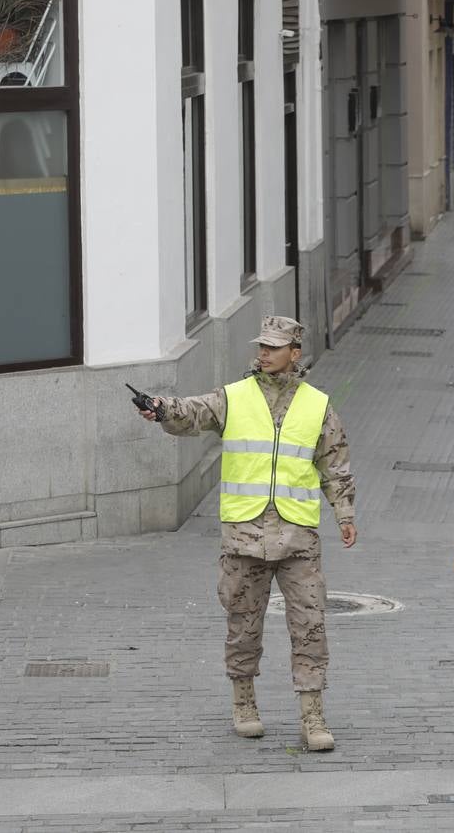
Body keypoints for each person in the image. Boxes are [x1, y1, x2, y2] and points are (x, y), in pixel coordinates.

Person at [135, 315, 356, 752]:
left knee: (311, 626)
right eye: (262, 346)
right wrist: (162, 408)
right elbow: (192, 412)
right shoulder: (234, 397)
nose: (264, 353)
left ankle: (312, 716)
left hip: (297, 537)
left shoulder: (318, 404)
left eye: (274, 347)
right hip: (245, 537)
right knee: (243, 625)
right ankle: (244, 703)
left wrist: (345, 513)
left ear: (295, 352)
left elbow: (335, 461)